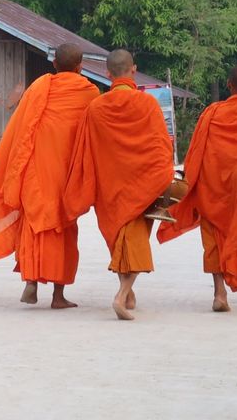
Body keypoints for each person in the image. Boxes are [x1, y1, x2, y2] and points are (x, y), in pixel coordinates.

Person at [0, 43, 99, 309]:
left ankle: (31, 282)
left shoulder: (39, 88)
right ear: (80, 67)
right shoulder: (89, 92)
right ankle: (58, 296)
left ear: (54, 64)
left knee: (33, 224)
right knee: (62, 228)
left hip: (36, 171)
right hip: (67, 175)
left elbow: (20, 132)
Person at [157, 64, 237, 311]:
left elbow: (195, 153)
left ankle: (220, 293)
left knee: (213, 239)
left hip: (213, 190)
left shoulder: (213, 112)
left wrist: (190, 182)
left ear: (228, 85)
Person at [65, 49, 173, 320]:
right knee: (134, 238)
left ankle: (128, 292)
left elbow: (86, 150)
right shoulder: (147, 105)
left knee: (119, 237)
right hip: (142, 184)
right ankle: (122, 294)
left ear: (107, 74)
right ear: (133, 70)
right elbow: (162, 147)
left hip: (110, 186)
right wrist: (163, 177)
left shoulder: (96, 108)